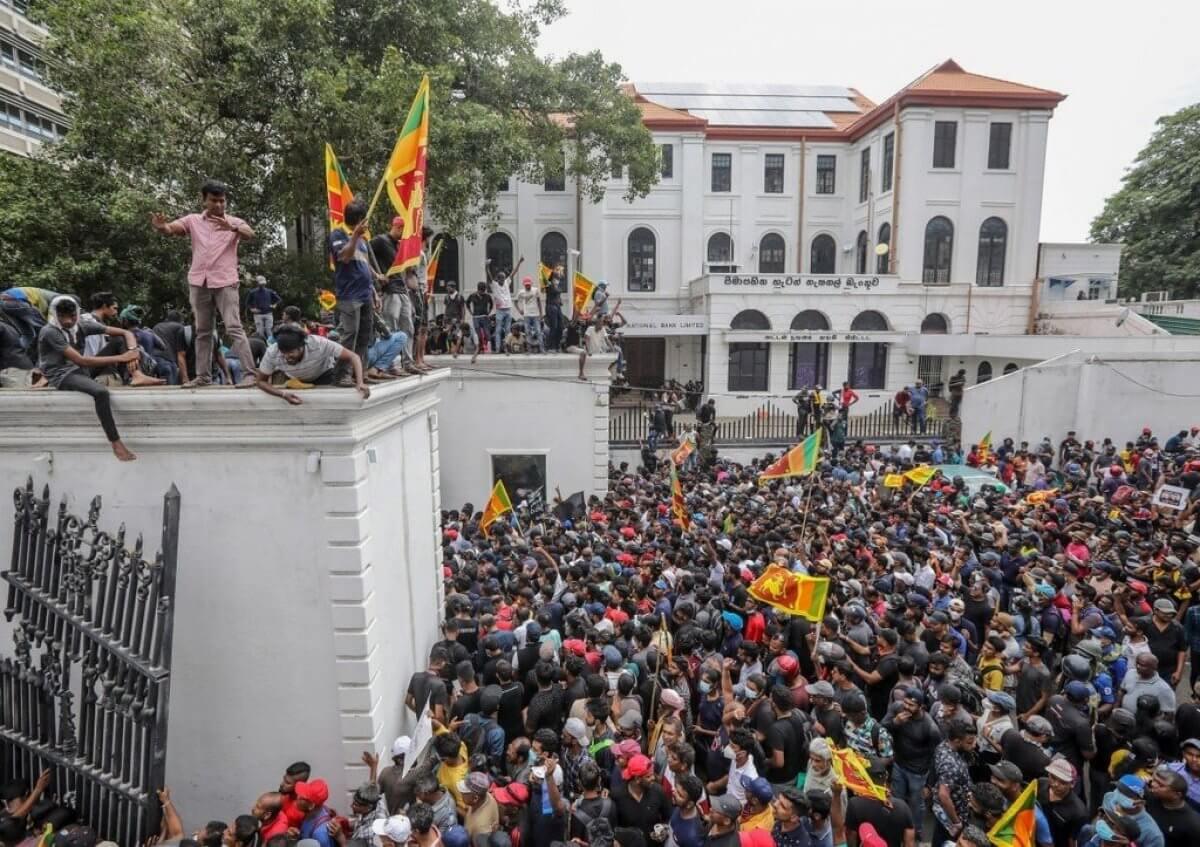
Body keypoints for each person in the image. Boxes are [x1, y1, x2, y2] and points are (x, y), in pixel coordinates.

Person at [150, 178, 258, 386]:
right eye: (214, 200)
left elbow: (250, 234)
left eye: (222, 201)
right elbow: (173, 229)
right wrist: (161, 227)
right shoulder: (193, 220)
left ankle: (250, 374)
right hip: (199, 281)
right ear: (204, 201)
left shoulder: (233, 221)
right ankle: (203, 376)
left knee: (234, 326)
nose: (218, 205)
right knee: (202, 331)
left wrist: (232, 228)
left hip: (225, 281)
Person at [38, 297, 139, 461]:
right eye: (63, 317)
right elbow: (81, 360)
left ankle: (137, 375)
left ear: (77, 313)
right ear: (56, 315)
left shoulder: (82, 325)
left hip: (82, 370)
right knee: (101, 393)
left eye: (72, 316)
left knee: (119, 340)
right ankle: (116, 443)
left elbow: (125, 332)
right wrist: (122, 357)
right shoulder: (50, 331)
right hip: (62, 375)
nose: (68, 321)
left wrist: (133, 351)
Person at [328, 199, 382, 386]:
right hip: (349, 295)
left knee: (365, 335)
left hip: (365, 293)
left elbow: (364, 264)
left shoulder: (362, 241)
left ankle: (360, 372)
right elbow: (344, 257)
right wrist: (354, 237)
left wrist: (375, 287)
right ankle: (341, 374)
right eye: (364, 220)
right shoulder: (338, 234)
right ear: (359, 220)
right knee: (350, 334)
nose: (367, 224)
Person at [253, 324, 370, 404]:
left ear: (302, 346)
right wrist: (282, 394)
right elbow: (260, 381)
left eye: (291, 353)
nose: (286, 357)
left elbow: (353, 356)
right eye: (283, 353)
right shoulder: (272, 352)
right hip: (296, 381)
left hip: (324, 374)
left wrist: (360, 383)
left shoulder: (318, 343)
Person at [246, 275, 282, 339]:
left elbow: (279, 300)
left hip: (268, 313)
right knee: (260, 331)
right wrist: (251, 309)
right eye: (261, 284)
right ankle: (261, 345)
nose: (262, 285)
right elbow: (247, 303)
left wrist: (274, 305)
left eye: (263, 284)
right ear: (257, 283)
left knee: (269, 330)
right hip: (258, 314)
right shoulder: (252, 292)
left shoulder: (269, 291)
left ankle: (270, 345)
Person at [515, 277, 543, 353]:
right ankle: (529, 349)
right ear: (524, 285)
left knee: (538, 331)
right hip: (526, 314)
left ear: (531, 284)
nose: (528, 286)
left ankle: (542, 349)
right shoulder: (521, 292)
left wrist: (541, 313)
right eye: (526, 285)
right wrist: (519, 310)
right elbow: (515, 301)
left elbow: (539, 302)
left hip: (535, 314)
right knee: (527, 332)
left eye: (529, 285)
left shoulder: (535, 290)